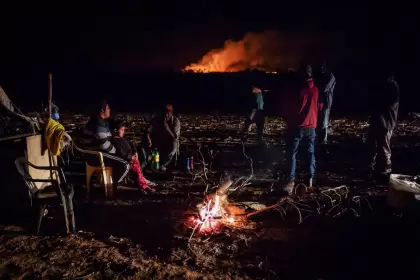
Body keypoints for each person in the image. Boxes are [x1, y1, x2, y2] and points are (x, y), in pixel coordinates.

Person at [283, 77, 323, 194]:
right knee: (310, 152)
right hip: (311, 126)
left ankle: (291, 179)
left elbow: (292, 108)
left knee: (292, 153)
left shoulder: (299, 90)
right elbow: (320, 106)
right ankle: (310, 178)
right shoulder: (316, 90)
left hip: (298, 126)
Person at [83, 99, 130, 189]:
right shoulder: (98, 122)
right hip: (96, 156)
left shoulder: (102, 121)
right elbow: (103, 144)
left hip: (98, 153)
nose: (109, 110)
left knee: (125, 158)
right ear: (102, 110)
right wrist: (118, 152)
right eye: (108, 108)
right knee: (125, 164)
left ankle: (112, 183)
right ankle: (112, 186)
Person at [367, 71, 400, 185]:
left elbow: (388, 106)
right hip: (379, 121)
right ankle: (373, 168)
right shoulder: (385, 87)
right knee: (373, 144)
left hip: (386, 122)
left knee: (384, 147)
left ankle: (385, 171)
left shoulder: (393, 89)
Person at [112, 121, 156, 192]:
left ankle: (143, 183)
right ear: (115, 130)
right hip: (128, 159)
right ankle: (143, 185)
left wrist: (135, 152)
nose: (123, 132)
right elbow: (120, 152)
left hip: (133, 157)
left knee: (139, 171)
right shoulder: (115, 141)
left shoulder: (123, 138)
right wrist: (130, 157)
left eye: (124, 130)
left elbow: (131, 144)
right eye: (122, 130)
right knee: (137, 171)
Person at [151, 104, 180, 172]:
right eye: (164, 113)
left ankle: (161, 165)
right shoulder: (158, 120)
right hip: (160, 142)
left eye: (168, 113)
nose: (166, 115)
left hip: (170, 142)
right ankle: (154, 163)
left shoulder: (175, 121)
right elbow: (153, 132)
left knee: (174, 145)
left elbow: (174, 137)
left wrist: (167, 128)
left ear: (171, 113)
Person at [317, 63, 336, 144]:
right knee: (321, 122)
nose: (321, 69)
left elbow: (325, 88)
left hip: (326, 102)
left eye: (322, 67)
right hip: (322, 102)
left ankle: (323, 141)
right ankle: (321, 140)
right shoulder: (325, 77)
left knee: (324, 123)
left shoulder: (331, 77)